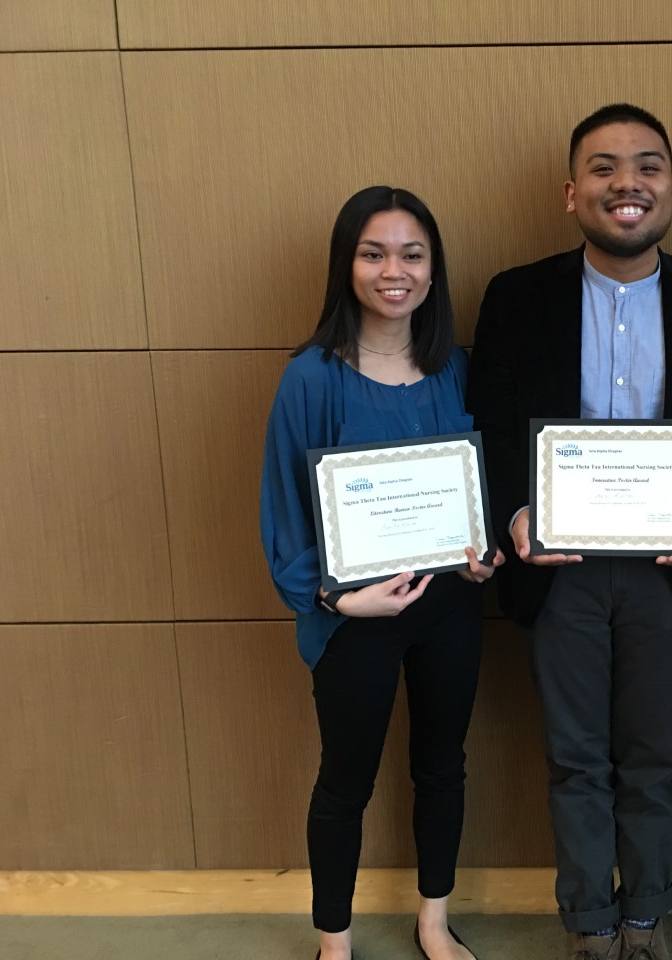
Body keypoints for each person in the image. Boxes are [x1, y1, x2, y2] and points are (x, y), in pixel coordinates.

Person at [466, 104, 672, 960]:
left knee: (653, 759)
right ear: (571, 192)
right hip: (560, 567)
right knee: (576, 760)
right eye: (603, 167)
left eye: (647, 166)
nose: (626, 183)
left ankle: (647, 918)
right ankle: (592, 921)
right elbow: (490, 423)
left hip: (671, 568)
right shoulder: (517, 296)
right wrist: (516, 516)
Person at [260, 185, 501, 960]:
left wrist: (486, 550)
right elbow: (284, 511)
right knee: (346, 781)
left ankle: (433, 922)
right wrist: (334, 595)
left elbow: (486, 493)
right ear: (347, 265)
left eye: (412, 253)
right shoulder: (311, 378)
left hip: (449, 610)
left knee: (443, 768)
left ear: (434, 270)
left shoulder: (459, 371)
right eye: (373, 253)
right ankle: (335, 940)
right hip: (353, 619)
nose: (393, 270)